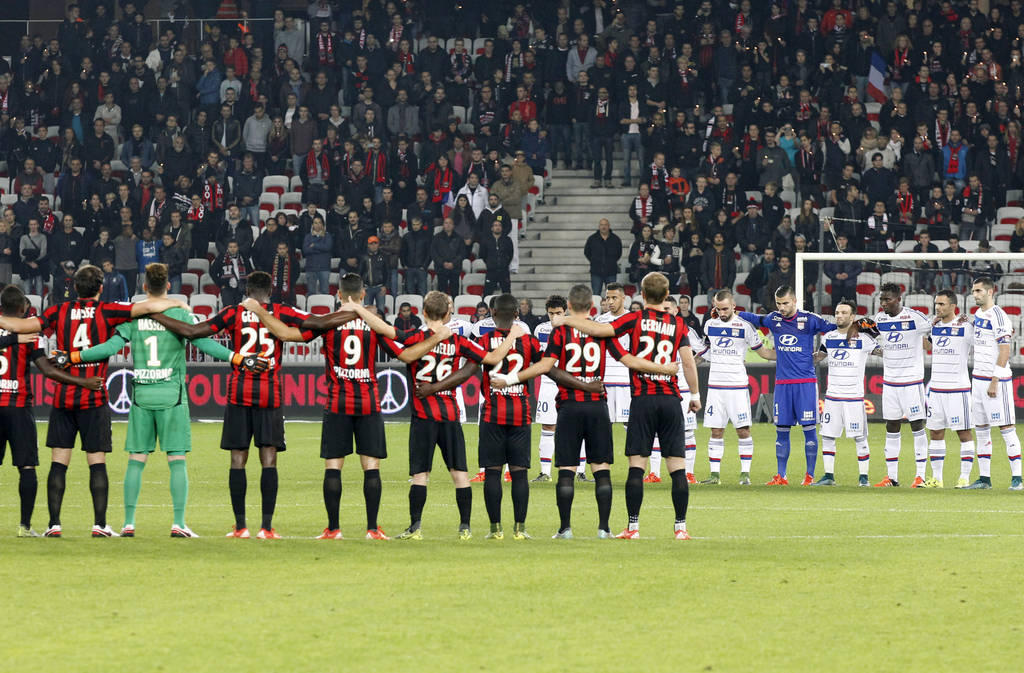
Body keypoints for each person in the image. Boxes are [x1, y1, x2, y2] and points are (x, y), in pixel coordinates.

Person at [63, 263, 263, 537]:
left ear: (144, 286)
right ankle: (178, 523)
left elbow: (110, 347)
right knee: (176, 459)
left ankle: (128, 523)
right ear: (168, 285)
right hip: (171, 394)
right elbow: (203, 342)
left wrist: (74, 356)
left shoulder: (133, 316)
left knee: (136, 459)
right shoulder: (180, 312)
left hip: (143, 394)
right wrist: (237, 357)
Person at [242, 274, 448, 538]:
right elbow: (406, 354)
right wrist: (436, 339)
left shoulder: (328, 323)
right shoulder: (373, 324)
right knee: (371, 466)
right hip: (368, 402)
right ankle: (372, 529)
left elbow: (285, 334)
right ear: (363, 295)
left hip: (337, 401)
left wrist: (259, 311)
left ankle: (333, 529)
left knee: (333, 466)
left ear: (338, 295)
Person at [0, 266, 185, 537]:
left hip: (63, 398)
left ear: (75, 288)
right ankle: (99, 525)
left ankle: (54, 525)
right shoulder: (107, 310)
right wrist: (177, 302)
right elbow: (144, 308)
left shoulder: (57, 311)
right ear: (100, 288)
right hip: (93, 396)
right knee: (96, 462)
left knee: (58, 462)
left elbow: (21, 325)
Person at [150, 271, 318, 539]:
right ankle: (266, 527)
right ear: (270, 289)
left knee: (238, 459)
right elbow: (314, 324)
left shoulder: (232, 313)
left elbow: (194, 332)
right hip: (269, 394)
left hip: (239, 393)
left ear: (247, 290)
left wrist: (156, 316)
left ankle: (240, 527)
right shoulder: (282, 311)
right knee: (269, 458)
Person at [511, 283, 678, 538]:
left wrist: (512, 378)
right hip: (598, 406)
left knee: (566, 469)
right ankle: (604, 528)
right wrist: (663, 369)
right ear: (591, 307)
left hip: (569, 406)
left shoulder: (560, 332)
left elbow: (546, 366)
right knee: (601, 469)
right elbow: (627, 360)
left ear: (568, 306)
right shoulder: (601, 332)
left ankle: (565, 529)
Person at [554, 273, 700, 540]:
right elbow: (688, 363)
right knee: (677, 466)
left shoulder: (634, 319)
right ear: (667, 296)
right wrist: (695, 394)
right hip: (670, 398)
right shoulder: (678, 324)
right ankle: (681, 527)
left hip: (643, 399)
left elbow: (600, 330)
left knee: (637, 465)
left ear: (642, 295)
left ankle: (633, 527)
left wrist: (565, 319)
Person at [394, 291, 522, 540]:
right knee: (460, 473)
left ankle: (415, 528)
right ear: (447, 314)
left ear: (423, 312)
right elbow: (493, 358)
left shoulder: (415, 338)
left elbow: (399, 348)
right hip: (450, 412)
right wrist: (511, 337)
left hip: (423, 413)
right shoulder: (457, 340)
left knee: (420, 474)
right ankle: (465, 528)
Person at [425, 294, 544, 540]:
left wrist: (437, 386)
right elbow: (544, 366)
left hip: (492, 414)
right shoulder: (529, 341)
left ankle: (495, 529)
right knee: (520, 472)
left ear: (491, 313)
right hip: (521, 414)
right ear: (517, 315)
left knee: (492, 472)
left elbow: (467, 370)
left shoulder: (483, 340)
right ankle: (520, 529)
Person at [0, 285, 104, 537]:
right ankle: (25, 526)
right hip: (18, 406)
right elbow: (47, 370)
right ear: (24, 309)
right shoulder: (30, 336)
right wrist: (82, 381)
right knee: (26, 468)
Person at [738, 286, 835, 485]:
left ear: (795, 301)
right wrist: (734, 312)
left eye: (785, 303)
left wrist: (822, 352)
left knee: (809, 430)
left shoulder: (809, 319)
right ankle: (781, 476)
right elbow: (755, 319)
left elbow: (833, 330)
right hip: (782, 384)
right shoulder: (774, 319)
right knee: (781, 430)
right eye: (778, 304)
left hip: (805, 384)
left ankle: (809, 476)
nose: (781, 308)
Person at [697, 290, 776, 485]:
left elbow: (764, 353)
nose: (722, 312)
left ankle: (745, 474)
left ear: (733, 306)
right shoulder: (709, 324)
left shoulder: (745, 327)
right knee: (716, 431)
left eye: (725, 309)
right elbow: (705, 351)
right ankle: (714, 475)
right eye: (718, 309)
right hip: (715, 387)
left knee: (743, 430)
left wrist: (790, 356)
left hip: (737, 387)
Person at [871, 283, 933, 487]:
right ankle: (892, 477)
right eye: (881, 299)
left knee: (917, 425)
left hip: (911, 382)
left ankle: (920, 476)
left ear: (898, 299)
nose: (883, 303)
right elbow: (864, 334)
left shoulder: (914, 317)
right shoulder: (879, 319)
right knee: (891, 426)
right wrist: (875, 349)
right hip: (889, 383)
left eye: (887, 299)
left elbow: (935, 328)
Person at [965, 277, 1023, 490]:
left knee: (1006, 428)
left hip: (996, 382)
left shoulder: (999, 316)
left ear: (990, 292)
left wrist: (995, 380)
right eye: (973, 290)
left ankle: (1017, 479)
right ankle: (984, 479)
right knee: (981, 429)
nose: (975, 294)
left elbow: (1005, 350)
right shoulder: (978, 314)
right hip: (977, 379)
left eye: (979, 290)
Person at [812, 300, 877, 486]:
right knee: (827, 435)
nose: (839, 315)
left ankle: (864, 478)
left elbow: (882, 350)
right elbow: (818, 357)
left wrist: (871, 331)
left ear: (852, 316)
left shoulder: (863, 339)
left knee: (859, 437)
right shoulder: (829, 337)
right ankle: (828, 476)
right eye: (837, 312)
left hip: (854, 398)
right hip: (832, 397)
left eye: (843, 312)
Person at [926, 290, 976, 489]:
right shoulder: (934, 326)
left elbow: (981, 344)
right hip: (936, 389)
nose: (938, 307)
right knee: (936, 433)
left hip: (958, 389)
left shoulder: (965, 327)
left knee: (964, 433)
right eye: (936, 303)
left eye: (942, 304)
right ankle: (937, 478)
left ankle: (964, 477)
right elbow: (926, 344)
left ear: (953, 306)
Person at [583, 218, 622, 295]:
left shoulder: (615, 239)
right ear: (599, 226)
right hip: (596, 272)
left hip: (611, 271)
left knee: (612, 294)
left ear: (609, 226)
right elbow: (587, 252)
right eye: (601, 225)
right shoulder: (592, 239)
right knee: (596, 294)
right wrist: (594, 261)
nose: (603, 227)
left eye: (605, 225)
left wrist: (611, 261)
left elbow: (619, 253)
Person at [480, 219, 513, 295]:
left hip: (504, 271)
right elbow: (483, 254)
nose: (497, 227)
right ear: (492, 228)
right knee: (487, 293)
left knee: (507, 293)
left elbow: (510, 254)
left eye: (499, 225)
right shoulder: (486, 240)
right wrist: (490, 263)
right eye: (495, 225)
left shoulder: (507, 240)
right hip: (491, 271)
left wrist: (505, 262)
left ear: (502, 228)